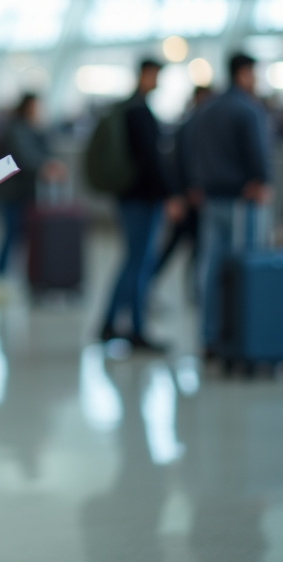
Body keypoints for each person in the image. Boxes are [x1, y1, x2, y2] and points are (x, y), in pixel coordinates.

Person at [186, 53, 272, 357]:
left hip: (211, 199)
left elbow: (189, 148)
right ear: (244, 73)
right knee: (245, 267)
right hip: (241, 201)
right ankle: (242, 333)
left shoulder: (207, 109)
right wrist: (262, 180)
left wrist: (196, 183)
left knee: (211, 268)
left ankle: (210, 336)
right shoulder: (248, 110)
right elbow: (258, 153)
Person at [98, 59, 182, 351]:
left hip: (128, 196)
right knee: (140, 263)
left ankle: (109, 323)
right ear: (145, 75)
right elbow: (151, 160)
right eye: (156, 75)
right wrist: (170, 194)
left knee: (131, 260)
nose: (158, 81)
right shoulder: (139, 112)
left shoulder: (126, 109)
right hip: (143, 199)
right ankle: (136, 328)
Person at [0, 92, 63, 280]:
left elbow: (43, 151)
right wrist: (46, 166)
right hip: (11, 193)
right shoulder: (15, 129)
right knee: (10, 235)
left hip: (24, 193)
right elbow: (25, 157)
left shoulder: (31, 128)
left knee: (19, 236)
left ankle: (9, 275)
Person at [152, 86, 213, 294]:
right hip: (188, 197)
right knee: (176, 246)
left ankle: (195, 288)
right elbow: (185, 161)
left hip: (187, 195)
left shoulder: (191, 125)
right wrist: (189, 189)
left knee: (193, 246)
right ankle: (148, 286)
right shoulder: (192, 126)